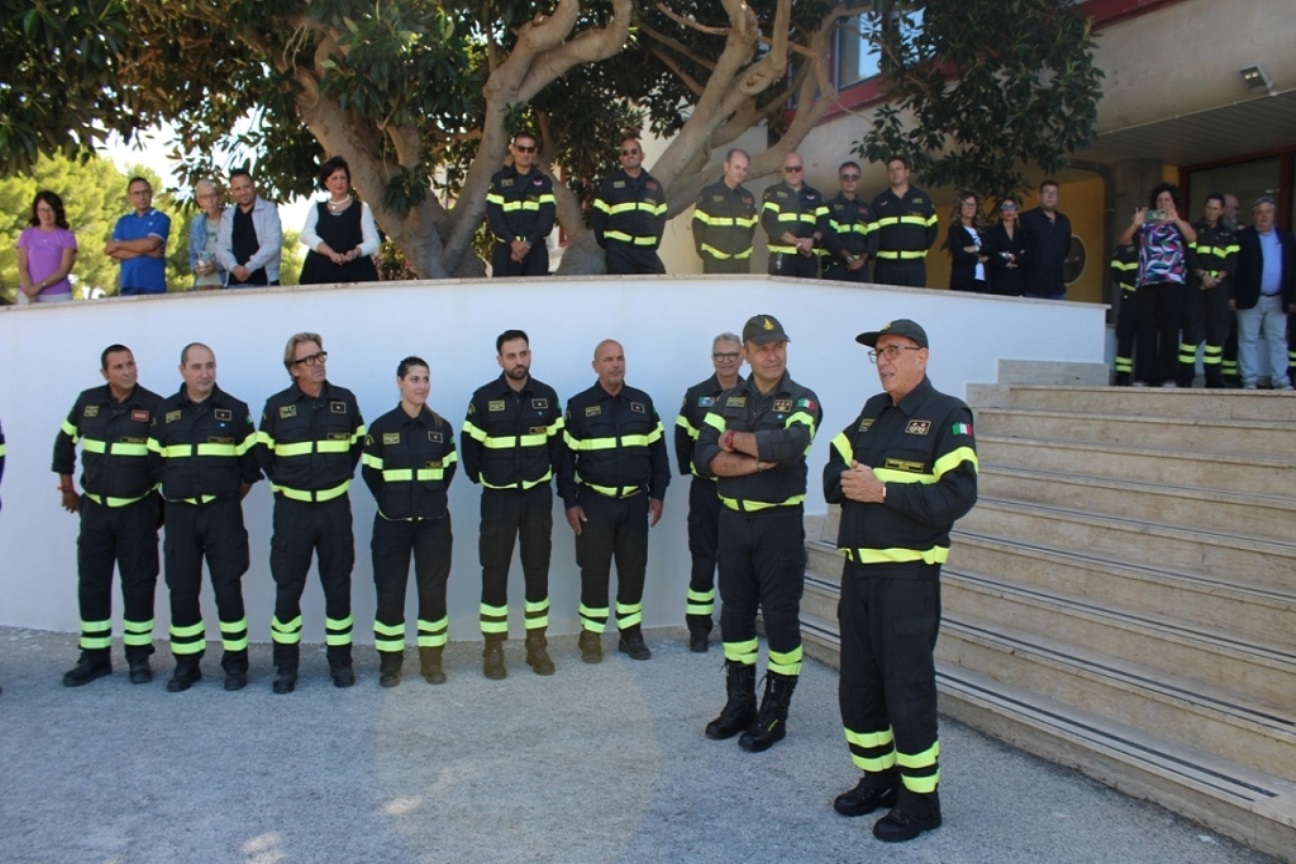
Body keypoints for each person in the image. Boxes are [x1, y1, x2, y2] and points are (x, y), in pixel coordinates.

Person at [824, 319, 978, 843]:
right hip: (860, 573)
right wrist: (852, 481)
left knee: (906, 689)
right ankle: (879, 778)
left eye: (893, 350)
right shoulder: (873, 412)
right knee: (859, 686)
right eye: (878, 353)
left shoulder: (947, 416)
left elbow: (956, 497)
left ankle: (921, 801)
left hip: (908, 578)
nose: (884, 360)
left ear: (922, 356)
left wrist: (883, 490)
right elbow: (834, 468)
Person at [692, 314, 822, 753]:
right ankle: (740, 703)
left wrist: (733, 440)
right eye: (763, 347)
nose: (773, 354)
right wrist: (752, 458)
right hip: (732, 522)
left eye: (779, 345)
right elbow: (702, 457)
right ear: (745, 353)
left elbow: (790, 446)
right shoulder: (726, 400)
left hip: (778, 525)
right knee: (736, 614)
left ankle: (775, 712)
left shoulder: (803, 400)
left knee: (782, 619)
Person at [147, 343, 261, 692]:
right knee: (182, 589)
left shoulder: (235, 409)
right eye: (196, 366)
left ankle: (236, 665)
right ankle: (186, 664)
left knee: (228, 588)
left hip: (222, 512)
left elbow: (249, 469)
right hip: (180, 514)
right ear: (182, 370)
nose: (204, 373)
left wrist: (223, 498)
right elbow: (154, 465)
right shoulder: (164, 413)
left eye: (210, 365)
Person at [256, 333, 366, 692]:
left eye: (321, 355)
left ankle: (340, 662)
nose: (319, 362)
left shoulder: (344, 400)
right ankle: (286, 667)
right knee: (288, 589)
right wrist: (290, 485)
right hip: (293, 512)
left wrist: (334, 479)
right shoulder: (276, 407)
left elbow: (356, 445)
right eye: (309, 359)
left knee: (338, 587)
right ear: (293, 369)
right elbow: (265, 455)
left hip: (334, 509)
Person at [52, 345, 164, 686]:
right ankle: (95, 656)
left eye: (130, 364)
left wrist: (158, 505)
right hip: (96, 511)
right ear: (105, 373)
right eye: (118, 367)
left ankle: (138, 657)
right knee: (92, 581)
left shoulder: (155, 405)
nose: (127, 371)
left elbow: (167, 459)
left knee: (139, 582)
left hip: (138, 509)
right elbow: (64, 442)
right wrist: (68, 488)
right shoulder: (87, 402)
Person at [558, 339, 670, 663]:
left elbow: (658, 453)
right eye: (608, 359)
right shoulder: (579, 406)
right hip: (595, 504)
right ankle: (591, 636)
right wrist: (570, 502)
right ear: (595, 366)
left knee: (633, 570)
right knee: (594, 571)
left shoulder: (642, 402)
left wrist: (659, 493)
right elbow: (565, 461)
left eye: (620, 358)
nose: (615, 364)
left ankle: (630, 634)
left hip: (635, 504)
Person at [460, 330, 564, 679]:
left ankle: (537, 645)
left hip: (536, 498)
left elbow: (559, 449)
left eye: (523, 354)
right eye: (511, 355)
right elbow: (469, 446)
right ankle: (493, 648)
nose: (518, 361)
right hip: (499, 500)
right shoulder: (484, 398)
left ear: (530, 355)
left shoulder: (546, 397)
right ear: (500, 360)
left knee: (537, 571)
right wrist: (486, 478)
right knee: (495, 572)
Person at [362, 356, 457, 688]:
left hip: (433, 524)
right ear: (400, 382)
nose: (421, 385)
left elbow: (448, 471)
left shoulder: (441, 428)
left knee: (433, 593)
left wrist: (426, 500)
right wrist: (393, 503)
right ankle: (390, 663)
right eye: (414, 379)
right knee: (390, 593)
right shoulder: (381, 427)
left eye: (426, 379)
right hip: (392, 524)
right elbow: (370, 473)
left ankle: (432, 661)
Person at [674, 332, 745, 652]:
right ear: (712, 358)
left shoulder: (757, 393)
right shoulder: (696, 395)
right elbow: (682, 437)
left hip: (742, 493)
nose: (726, 361)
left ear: (743, 356)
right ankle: (698, 629)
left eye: (731, 355)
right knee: (703, 562)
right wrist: (697, 469)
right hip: (705, 493)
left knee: (738, 565)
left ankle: (734, 626)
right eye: (720, 355)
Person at [1117, 183, 1197, 386]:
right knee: (1146, 329)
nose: (1163, 203)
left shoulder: (1179, 223)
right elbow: (1123, 241)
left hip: (1173, 283)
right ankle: (1144, 375)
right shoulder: (1145, 224)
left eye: (1167, 200)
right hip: (1147, 283)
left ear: (1174, 202)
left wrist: (1176, 218)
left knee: (1170, 329)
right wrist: (1135, 223)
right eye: (1160, 200)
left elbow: (1192, 238)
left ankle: (1169, 376)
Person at [1231, 195, 1295, 390]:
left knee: (1277, 341)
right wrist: (1232, 296)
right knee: (1247, 340)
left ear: (1274, 214)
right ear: (1253, 216)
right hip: (1249, 299)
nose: (1263, 216)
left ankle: (1281, 381)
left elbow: (1293, 270)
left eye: (1268, 212)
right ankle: (1249, 380)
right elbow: (1234, 269)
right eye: (1259, 213)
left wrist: (1293, 298)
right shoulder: (1242, 238)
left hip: (1278, 299)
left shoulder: (1287, 238)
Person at [1182, 194, 1238, 388]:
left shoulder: (1228, 235)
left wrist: (1216, 278)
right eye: (1208, 208)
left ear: (1222, 211)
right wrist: (1203, 275)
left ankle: (1213, 378)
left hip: (1218, 287)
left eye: (1215, 209)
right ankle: (1185, 378)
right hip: (1196, 285)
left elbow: (1231, 262)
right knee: (1190, 333)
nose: (1211, 212)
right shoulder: (1194, 230)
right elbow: (1190, 256)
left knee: (1215, 334)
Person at [299, 156, 381, 285]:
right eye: (334, 178)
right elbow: (306, 235)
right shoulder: (317, 208)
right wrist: (331, 253)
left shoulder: (361, 208)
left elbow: (373, 242)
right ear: (326, 183)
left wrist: (355, 253)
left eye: (343, 178)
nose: (339, 182)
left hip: (356, 274)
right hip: (320, 274)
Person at [592, 137, 667, 275]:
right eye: (625, 153)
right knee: (623, 293)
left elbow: (660, 218)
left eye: (634, 151)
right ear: (621, 158)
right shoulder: (610, 184)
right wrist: (608, 245)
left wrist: (653, 244)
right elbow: (598, 216)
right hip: (619, 252)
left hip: (646, 251)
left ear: (642, 156)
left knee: (658, 287)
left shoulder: (654, 186)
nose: (630, 155)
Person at [486, 132, 556, 277]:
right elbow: (495, 217)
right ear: (513, 149)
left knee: (536, 298)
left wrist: (527, 244)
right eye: (521, 148)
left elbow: (547, 219)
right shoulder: (498, 181)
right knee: (504, 298)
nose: (525, 153)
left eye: (530, 149)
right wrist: (513, 243)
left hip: (535, 251)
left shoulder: (544, 182)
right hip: (506, 251)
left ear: (535, 152)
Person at [870, 156, 937, 288]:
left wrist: (918, 248)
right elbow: (872, 234)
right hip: (885, 267)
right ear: (888, 174)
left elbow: (932, 230)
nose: (895, 172)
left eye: (898, 169)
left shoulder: (923, 200)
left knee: (914, 307)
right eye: (891, 170)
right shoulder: (878, 202)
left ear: (907, 172)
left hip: (914, 267)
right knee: (886, 307)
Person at [761, 152, 829, 279]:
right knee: (781, 297)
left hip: (808, 258)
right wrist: (798, 243)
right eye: (789, 169)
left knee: (806, 297)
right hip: (782, 257)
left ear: (803, 170)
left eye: (797, 168)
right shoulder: (772, 193)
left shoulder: (816, 195)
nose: (793, 172)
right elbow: (770, 223)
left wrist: (812, 241)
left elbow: (824, 224)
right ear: (782, 171)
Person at [692, 148, 758, 273]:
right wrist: (704, 253)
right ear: (726, 166)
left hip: (741, 263)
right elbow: (698, 226)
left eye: (744, 169)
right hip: (715, 263)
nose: (740, 172)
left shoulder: (748, 197)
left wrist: (742, 246)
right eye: (737, 167)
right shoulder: (709, 194)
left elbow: (751, 228)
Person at [216, 168, 283, 288]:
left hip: (265, 282)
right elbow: (221, 247)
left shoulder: (269, 209)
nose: (243, 192)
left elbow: (273, 243)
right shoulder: (227, 216)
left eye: (246, 187)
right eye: (238, 189)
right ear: (232, 191)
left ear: (253, 185)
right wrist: (234, 267)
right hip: (233, 284)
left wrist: (249, 268)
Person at [104, 177, 170, 295]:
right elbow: (113, 252)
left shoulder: (161, 218)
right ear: (130, 196)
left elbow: (151, 244)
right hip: (128, 285)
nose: (142, 197)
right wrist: (145, 252)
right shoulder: (123, 221)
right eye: (136, 193)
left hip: (154, 286)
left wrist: (119, 244)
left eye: (145, 192)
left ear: (151, 194)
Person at [17, 190, 77, 303]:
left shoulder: (67, 236)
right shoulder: (27, 235)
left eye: (50, 209)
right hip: (27, 295)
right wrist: (29, 290)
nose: (46, 214)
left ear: (57, 211)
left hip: (58, 295)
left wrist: (39, 286)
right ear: (36, 211)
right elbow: (22, 266)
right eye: (42, 210)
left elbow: (63, 270)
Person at [822, 161, 876, 283]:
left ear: (859, 180)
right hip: (836, 267)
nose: (850, 181)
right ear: (839, 180)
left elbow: (873, 239)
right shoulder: (829, 207)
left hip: (860, 269)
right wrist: (850, 259)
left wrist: (860, 261)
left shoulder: (868, 210)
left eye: (854, 177)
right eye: (845, 177)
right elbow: (829, 237)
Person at [1020, 180, 1072, 300]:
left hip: (1057, 287)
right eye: (1047, 192)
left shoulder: (1064, 221)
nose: (1050, 196)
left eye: (1054, 193)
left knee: (1057, 319)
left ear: (1058, 198)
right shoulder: (1027, 219)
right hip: (1032, 287)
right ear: (1039, 196)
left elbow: (1066, 248)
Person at [944, 190, 988, 293]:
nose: (970, 208)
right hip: (963, 280)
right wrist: (978, 259)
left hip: (982, 279)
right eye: (966, 204)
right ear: (960, 207)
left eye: (973, 205)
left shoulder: (982, 230)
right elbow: (959, 253)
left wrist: (974, 248)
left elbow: (990, 248)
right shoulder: (955, 229)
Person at [983, 197, 1028, 297]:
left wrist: (1014, 257)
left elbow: (1027, 254)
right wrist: (1005, 263)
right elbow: (989, 252)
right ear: (1000, 213)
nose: (1009, 211)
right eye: (1005, 207)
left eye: (1012, 207)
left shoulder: (1022, 234)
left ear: (1016, 212)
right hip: (998, 281)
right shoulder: (992, 232)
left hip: (1018, 282)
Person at [1109, 242, 1140, 386]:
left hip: (1150, 299)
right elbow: (1115, 272)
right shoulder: (1127, 247)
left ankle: (1142, 376)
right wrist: (1127, 287)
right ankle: (1122, 375)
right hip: (1130, 296)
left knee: (1147, 339)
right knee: (1125, 335)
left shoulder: (1157, 244)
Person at [187, 179, 227, 289]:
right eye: (204, 197)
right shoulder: (196, 223)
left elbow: (238, 252)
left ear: (219, 196)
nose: (210, 200)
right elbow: (192, 254)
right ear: (199, 201)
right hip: (201, 284)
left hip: (225, 282)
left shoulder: (230, 219)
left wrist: (217, 266)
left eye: (212, 195)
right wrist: (196, 268)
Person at [1220, 193, 1243, 385]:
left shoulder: (1243, 235)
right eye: (1227, 207)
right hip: (1211, 289)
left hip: (1236, 293)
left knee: (1233, 335)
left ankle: (1229, 373)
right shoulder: (1213, 232)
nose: (1231, 212)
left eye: (1235, 208)